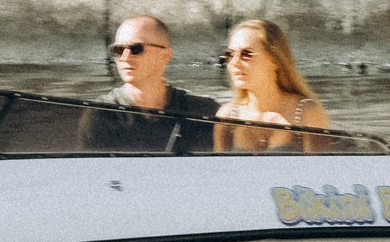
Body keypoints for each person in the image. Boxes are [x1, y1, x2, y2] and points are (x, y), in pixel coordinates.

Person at [213, 20, 330, 152]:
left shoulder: (307, 114)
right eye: (230, 55)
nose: (234, 63)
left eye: (246, 54)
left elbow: (321, 165)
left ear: (275, 60)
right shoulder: (227, 116)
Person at [102, 15, 218, 120]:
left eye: (136, 49)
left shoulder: (204, 111)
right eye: (118, 50)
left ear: (165, 55)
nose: (125, 58)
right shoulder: (101, 113)